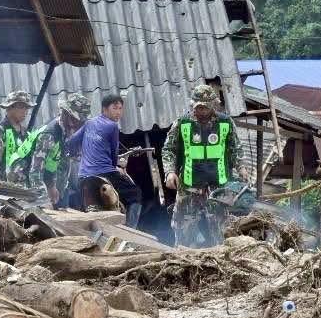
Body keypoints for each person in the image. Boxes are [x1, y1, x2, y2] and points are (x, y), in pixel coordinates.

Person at [162, 84, 241, 247]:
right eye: (198, 107)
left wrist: (241, 167)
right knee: (183, 233)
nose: (201, 111)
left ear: (213, 104)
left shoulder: (225, 123)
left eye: (205, 107)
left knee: (221, 233)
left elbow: (235, 149)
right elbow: (168, 149)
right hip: (189, 187)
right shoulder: (182, 123)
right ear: (193, 105)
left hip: (217, 188)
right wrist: (170, 172)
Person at [66, 93, 143, 226]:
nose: (118, 112)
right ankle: (131, 228)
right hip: (104, 173)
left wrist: (78, 153)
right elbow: (113, 155)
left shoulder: (89, 123)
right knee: (135, 193)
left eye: (120, 108)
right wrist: (117, 168)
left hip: (83, 176)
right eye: (115, 108)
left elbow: (71, 142)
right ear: (104, 109)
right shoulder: (112, 126)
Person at [28, 93, 90, 208]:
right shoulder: (48, 135)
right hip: (25, 179)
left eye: (78, 122)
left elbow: (61, 162)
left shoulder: (67, 132)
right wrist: (43, 201)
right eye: (73, 119)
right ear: (64, 113)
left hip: (54, 182)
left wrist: (53, 187)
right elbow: (35, 172)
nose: (74, 124)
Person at [0, 89, 33, 184]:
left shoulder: (27, 134)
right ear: (9, 108)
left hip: (24, 191)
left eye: (27, 108)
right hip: (4, 190)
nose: (25, 111)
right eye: (21, 107)